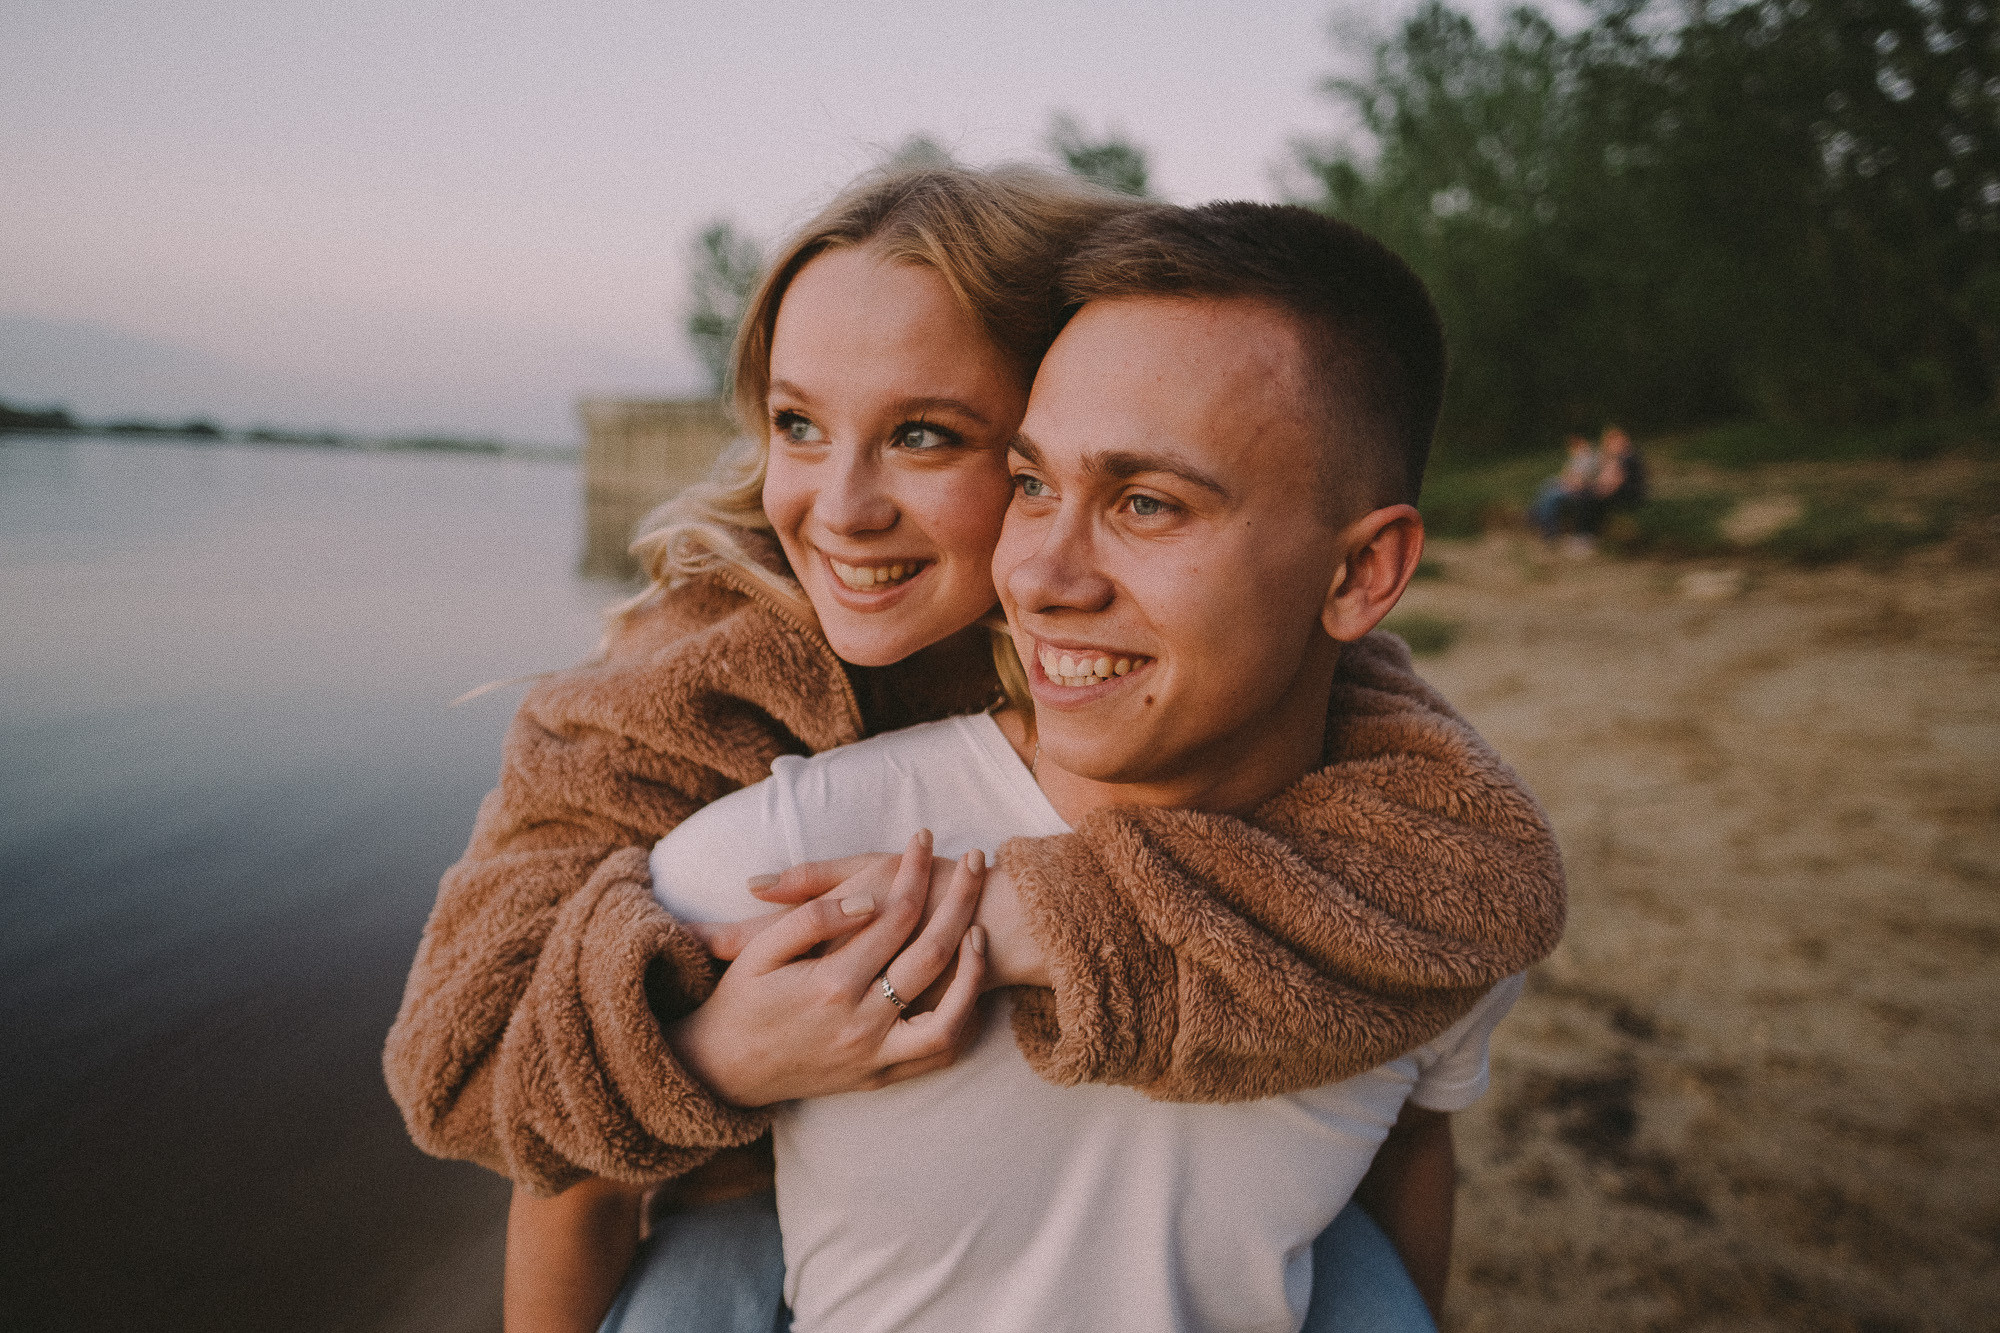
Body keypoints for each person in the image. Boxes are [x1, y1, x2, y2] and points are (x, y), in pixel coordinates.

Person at [382, 168, 1564, 1328]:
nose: (839, 507)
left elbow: (1477, 874)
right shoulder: (687, 698)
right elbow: (467, 1066)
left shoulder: (1248, 668)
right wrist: (713, 1052)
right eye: (796, 424)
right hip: (745, 1188)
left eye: (924, 436)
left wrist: (1026, 913)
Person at [1528, 433, 1599, 541]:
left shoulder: (1590, 459)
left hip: (1578, 490)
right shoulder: (1578, 457)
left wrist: (1567, 483)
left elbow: (1582, 481)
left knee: (1552, 496)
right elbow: (1566, 474)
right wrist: (1564, 481)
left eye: (1575, 444)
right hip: (1569, 484)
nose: (1572, 448)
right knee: (1546, 485)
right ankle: (1537, 516)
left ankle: (1550, 529)